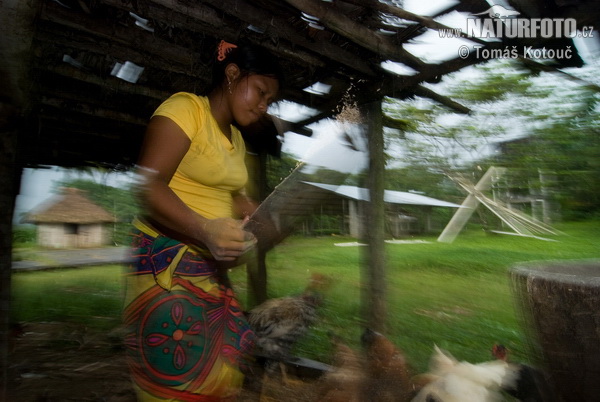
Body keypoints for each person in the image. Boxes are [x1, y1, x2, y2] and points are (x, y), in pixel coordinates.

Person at [123, 40, 283, 401]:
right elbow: (148, 186)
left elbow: (227, 194)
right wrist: (203, 228)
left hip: (207, 271)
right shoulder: (186, 109)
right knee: (180, 378)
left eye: (270, 101)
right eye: (260, 92)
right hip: (166, 267)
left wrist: (252, 212)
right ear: (231, 74)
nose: (263, 106)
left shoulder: (237, 142)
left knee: (221, 374)